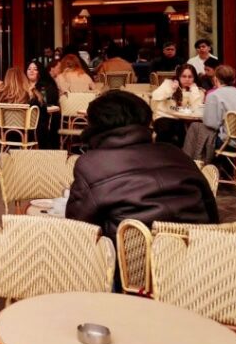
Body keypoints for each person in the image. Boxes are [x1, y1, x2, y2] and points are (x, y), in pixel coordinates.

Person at [66, 90, 218, 240]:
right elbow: (212, 213)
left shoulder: (90, 164)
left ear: (94, 126)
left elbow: (79, 228)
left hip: (130, 258)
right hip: (194, 254)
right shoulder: (176, 153)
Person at [183, 64, 236, 162]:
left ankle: (192, 163)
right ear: (233, 80)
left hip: (230, 143)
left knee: (195, 127)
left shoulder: (214, 95)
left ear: (215, 79)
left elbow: (211, 124)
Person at [151, 64, 204, 147]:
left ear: (194, 78)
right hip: (164, 116)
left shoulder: (196, 90)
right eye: (184, 76)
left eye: (190, 77)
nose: (187, 79)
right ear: (178, 76)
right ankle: (160, 154)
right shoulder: (168, 83)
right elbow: (155, 96)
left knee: (183, 133)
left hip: (181, 119)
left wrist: (194, 89)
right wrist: (172, 89)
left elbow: (196, 108)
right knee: (166, 128)